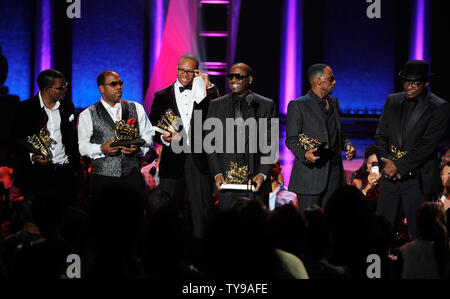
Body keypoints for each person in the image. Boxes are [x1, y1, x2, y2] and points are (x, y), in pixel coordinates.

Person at [374, 60, 450, 238]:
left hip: (419, 181)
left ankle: (417, 267)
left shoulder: (439, 107)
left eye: (415, 83)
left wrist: (399, 166)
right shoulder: (392, 101)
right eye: (406, 82)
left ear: (426, 83)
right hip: (390, 181)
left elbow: (428, 144)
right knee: (380, 236)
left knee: (421, 237)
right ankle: (376, 267)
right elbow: (380, 136)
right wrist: (387, 164)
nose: (409, 87)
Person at [148, 53, 219, 239]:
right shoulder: (162, 95)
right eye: (181, 70)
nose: (184, 74)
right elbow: (152, 126)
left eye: (189, 71)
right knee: (168, 213)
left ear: (197, 72)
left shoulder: (204, 94)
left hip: (199, 161)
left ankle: (201, 259)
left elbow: (218, 111)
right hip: (172, 160)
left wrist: (208, 85)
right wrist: (164, 138)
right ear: (177, 69)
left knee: (202, 214)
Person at [14, 69, 80, 238]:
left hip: (64, 174)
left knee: (66, 223)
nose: (65, 89)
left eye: (65, 86)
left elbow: (72, 141)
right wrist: (32, 156)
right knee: (39, 223)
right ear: (46, 89)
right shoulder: (25, 108)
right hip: (37, 174)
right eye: (60, 87)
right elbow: (16, 140)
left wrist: (75, 169)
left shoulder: (68, 107)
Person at [206, 63, 277, 211]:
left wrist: (263, 174)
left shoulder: (265, 105)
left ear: (249, 79)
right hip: (227, 182)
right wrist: (217, 173)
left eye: (239, 76)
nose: (233, 80)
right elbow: (210, 144)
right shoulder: (216, 105)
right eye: (230, 76)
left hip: (256, 183)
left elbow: (270, 143)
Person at [285, 63, 356, 212]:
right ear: (318, 81)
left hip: (335, 178)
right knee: (311, 226)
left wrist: (347, 145)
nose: (335, 82)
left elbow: (339, 132)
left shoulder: (334, 103)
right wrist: (305, 154)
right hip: (310, 177)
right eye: (331, 79)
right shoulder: (298, 105)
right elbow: (291, 139)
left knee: (332, 224)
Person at [78, 70, 154, 205]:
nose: (119, 87)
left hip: (132, 177)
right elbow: (82, 146)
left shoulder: (136, 108)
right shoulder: (87, 114)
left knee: (134, 220)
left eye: (120, 83)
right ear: (101, 88)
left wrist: (138, 148)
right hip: (103, 180)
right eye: (114, 84)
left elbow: (148, 135)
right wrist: (101, 148)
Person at [350, 144, 381, 211]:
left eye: (377, 163)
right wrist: (368, 187)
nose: (374, 166)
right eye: (371, 163)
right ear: (366, 164)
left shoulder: (387, 178)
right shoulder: (358, 180)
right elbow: (355, 205)